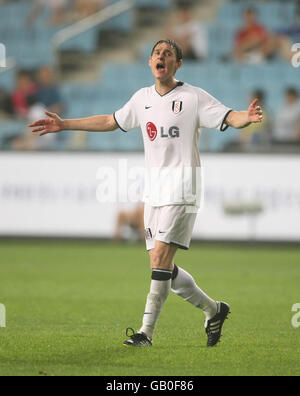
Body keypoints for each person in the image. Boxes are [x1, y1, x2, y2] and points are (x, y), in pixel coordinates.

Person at [29, 39, 263, 347]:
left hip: (184, 186)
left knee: (162, 257)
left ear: (178, 64)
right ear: (150, 62)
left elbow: (228, 116)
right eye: (156, 53)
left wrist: (246, 118)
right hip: (155, 190)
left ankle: (145, 333)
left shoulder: (192, 97)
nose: (161, 56)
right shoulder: (142, 99)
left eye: (168, 53)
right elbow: (111, 121)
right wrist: (66, 124)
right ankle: (214, 310)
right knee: (159, 265)